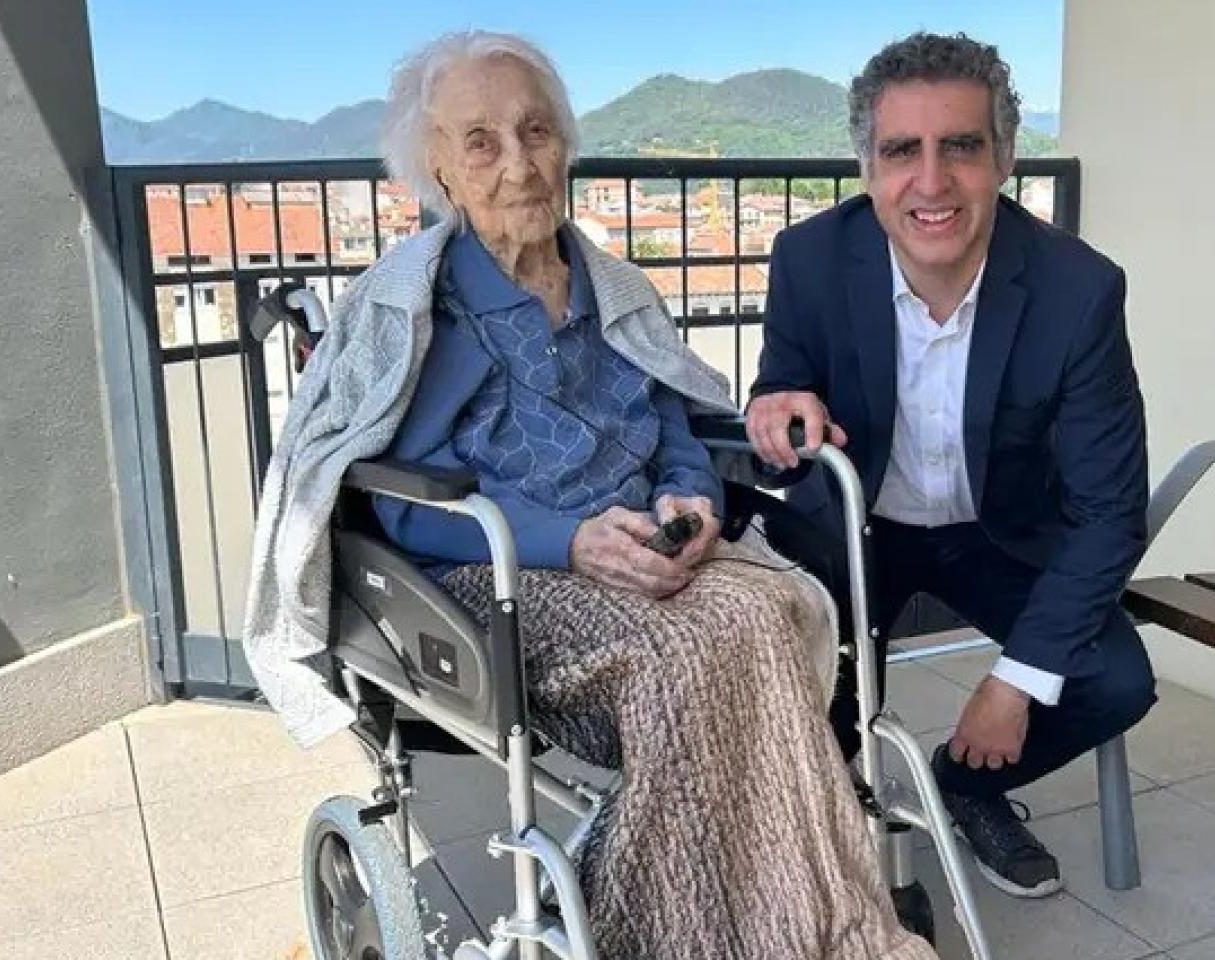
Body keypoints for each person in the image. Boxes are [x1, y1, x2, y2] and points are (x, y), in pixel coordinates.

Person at [364, 31, 936, 960]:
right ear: (436, 167)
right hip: (507, 575)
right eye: (481, 142)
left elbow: (673, 420)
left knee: (777, 604)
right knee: (688, 654)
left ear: (567, 143)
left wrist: (690, 500)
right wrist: (569, 540)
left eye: (537, 130)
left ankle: (808, 927)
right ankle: (684, 930)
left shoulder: (609, 287)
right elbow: (399, 503)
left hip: (650, 549)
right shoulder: (423, 313)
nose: (518, 163)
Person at [746, 31, 1158, 900]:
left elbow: (1111, 508)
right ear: (867, 164)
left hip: (996, 536)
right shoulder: (811, 260)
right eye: (902, 150)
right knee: (799, 711)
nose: (930, 183)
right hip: (856, 533)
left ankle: (963, 785)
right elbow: (782, 382)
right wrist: (777, 406)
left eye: (960, 147)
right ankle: (830, 836)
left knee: (1112, 679)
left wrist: (1013, 681)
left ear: (1004, 158)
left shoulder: (1078, 290)